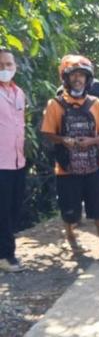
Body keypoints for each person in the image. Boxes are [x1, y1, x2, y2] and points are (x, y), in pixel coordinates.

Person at [41, 55, 99, 264]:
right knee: (70, 210)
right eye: (74, 75)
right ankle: (71, 234)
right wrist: (64, 140)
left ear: (88, 79)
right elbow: (48, 133)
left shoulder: (97, 104)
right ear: (66, 78)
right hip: (66, 169)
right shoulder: (55, 105)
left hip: (94, 167)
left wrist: (91, 141)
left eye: (82, 75)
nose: (78, 79)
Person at [0, 48, 26, 272]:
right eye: (1, 65)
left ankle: (7, 251)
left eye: (9, 64)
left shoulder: (19, 93)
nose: (5, 69)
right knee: (3, 210)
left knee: (15, 207)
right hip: (1, 162)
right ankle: (6, 256)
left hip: (18, 160)